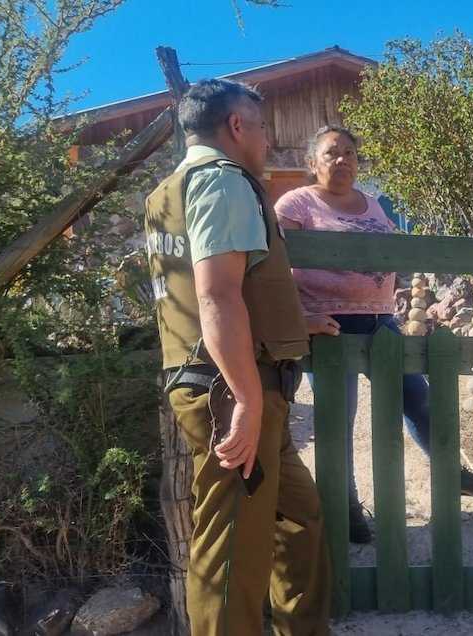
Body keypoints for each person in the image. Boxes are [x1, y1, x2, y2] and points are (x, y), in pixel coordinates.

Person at [144, 79, 329, 635]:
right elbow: (217, 294)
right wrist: (247, 400)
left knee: (297, 517)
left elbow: (230, 288)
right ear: (236, 126)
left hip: (228, 381)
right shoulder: (222, 182)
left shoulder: (166, 192)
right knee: (232, 546)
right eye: (263, 127)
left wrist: (291, 322)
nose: (268, 140)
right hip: (230, 389)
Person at [275, 125, 473, 545]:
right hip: (328, 326)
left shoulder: (372, 203)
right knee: (339, 420)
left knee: (418, 399)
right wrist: (300, 317)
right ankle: (346, 506)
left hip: (379, 321)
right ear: (312, 162)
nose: (342, 160)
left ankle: (455, 475)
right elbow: (273, 267)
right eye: (332, 152)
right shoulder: (296, 204)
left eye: (350, 153)